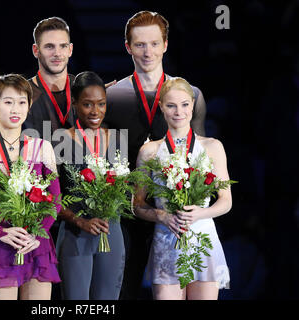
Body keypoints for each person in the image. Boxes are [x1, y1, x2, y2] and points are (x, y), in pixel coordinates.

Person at [102, 11, 207, 299]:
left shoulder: (191, 95)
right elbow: (103, 155)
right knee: (123, 287)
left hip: (175, 209)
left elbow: (199, 154)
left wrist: (187, 207)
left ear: (165, 44)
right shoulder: (111, 97)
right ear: (127, 46)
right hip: (127, 210)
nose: (147, 52)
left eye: (153, 43)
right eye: (139, 44)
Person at [0, 74, 61, 300]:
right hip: (1, 244)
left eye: (22, 102)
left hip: (36, 245)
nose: (15, 109)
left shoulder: (42, 148)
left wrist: (37, 234)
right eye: (8, 102)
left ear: (29, 106)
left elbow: (55, 200)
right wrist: (0, 232)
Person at [134, 77, 231, 300]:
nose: (179, 111)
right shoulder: (149, 151)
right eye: (171, 105)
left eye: (185, 104)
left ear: (193, 105)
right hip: (167, 238)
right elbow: (137, 205)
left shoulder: (212, 147)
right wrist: (162, 215)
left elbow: (226, 200)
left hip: (202, 238)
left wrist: (201, 213)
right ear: (161, 107)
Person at [56, 71, 127, 300]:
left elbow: (125, 187)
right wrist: (79, 221)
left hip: (111, 231)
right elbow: (50, 197)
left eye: (101, 104)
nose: (95, 111)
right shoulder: (59, 140)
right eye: (87, 104)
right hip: (75, 233)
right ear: (74, 103)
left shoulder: (117, 139)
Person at [22, 17, 76, 141]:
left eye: (63, 46)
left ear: (70, 49)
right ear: (36, 50)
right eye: (49, 47)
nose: (57, 53)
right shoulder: (22, 93)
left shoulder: (83, 89)